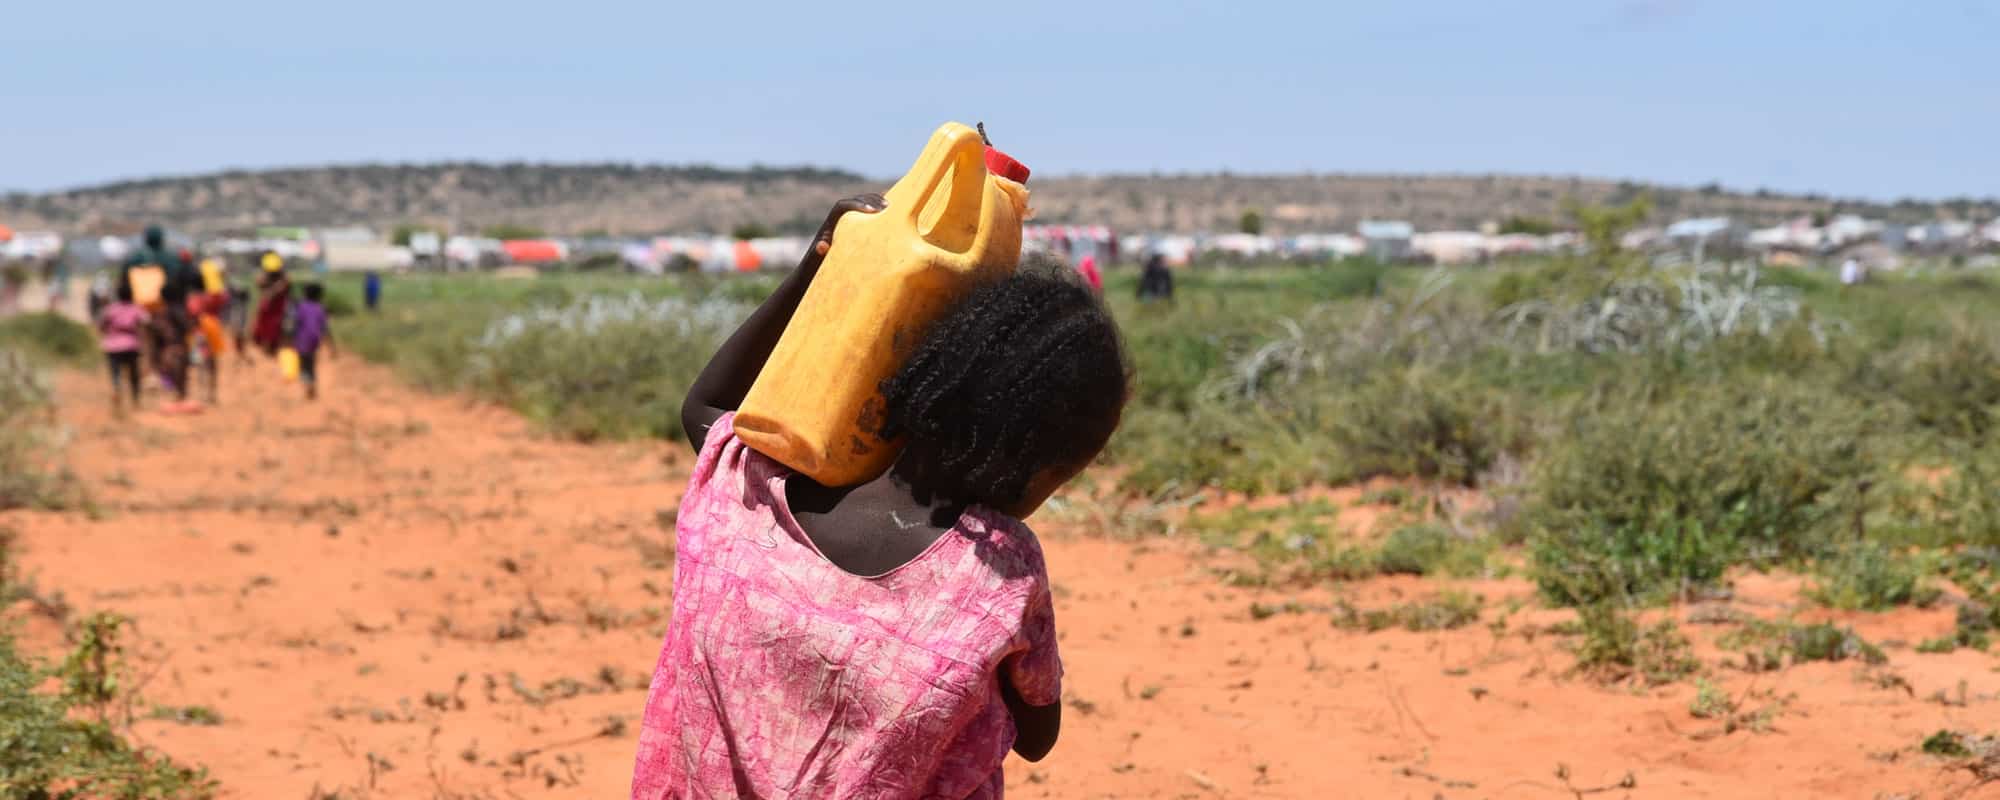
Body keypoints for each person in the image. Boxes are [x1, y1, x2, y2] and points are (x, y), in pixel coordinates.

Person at [632, 195, 1130, 799]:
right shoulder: (1001, 572)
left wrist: (820, 268)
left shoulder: (743, 496)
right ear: (1035, 465)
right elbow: (1036, 734)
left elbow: (705, 408)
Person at [96, 284, 148, 417]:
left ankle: (117, 389)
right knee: (133, 375)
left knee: (115, 373)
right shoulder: (136, 308)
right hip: (131, 345)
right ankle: (135, 399)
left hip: (112, 345)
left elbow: (101, 324)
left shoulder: (111, 309)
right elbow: (146, 321)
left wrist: (107, 332)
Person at [145, 281, 195, 412]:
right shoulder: (178, 311)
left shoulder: (159, 314)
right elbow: (188, 328)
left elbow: (154, 335)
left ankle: (176, 400)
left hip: (167, 351)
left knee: (172, 379)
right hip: (178, 349)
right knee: (180, 380)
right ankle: (179, 400)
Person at [292, 282, 334, 400]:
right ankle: (312, 384)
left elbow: (295, 324)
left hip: (301, 340)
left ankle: (307, 386)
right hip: (314, 341)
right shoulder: (321, 309)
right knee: (311, 364)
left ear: (305, 294)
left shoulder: (300, 307)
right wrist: (331, 346)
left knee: (303, 365)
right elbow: (325, 329)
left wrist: (289, 339)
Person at [252, 252, 291, 356]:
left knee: (279, 328)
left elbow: (283, 287)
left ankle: (275, 348)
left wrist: (273, 290)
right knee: (261, 327)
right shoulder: (264, 277)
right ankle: (265, 347)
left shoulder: (284, 278)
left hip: (279, 308)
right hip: (267, 308)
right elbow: (259, 283)